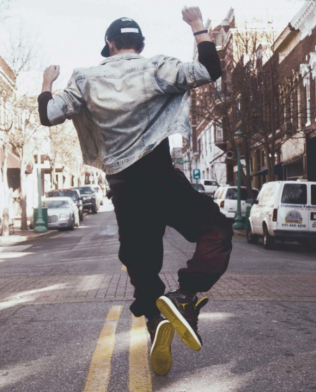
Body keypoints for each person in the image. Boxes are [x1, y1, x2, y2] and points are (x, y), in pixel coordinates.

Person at [38, 6, 232, 376]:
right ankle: (185, 295)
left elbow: (49, 115)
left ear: (109, 45)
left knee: (142, 268)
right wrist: (196, 25)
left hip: (123, 188)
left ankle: (157, 320)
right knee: (216, 230)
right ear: (139, 44)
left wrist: (47, 82)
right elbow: (209, 69)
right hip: (158, 174)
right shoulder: (156, 66)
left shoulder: (85, 78)